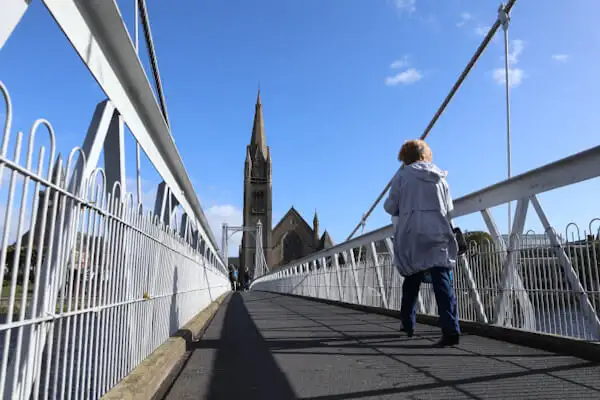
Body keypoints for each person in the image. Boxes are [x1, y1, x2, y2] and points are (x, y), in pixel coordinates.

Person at [383, 139, 460, 347]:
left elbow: (390, 207)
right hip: (438, 231)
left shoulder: (402, 176)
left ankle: (408, 324)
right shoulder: (440, 177)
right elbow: (449, 209)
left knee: (411, 277)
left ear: (404, 158)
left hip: (411, 232)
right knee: (442, 279)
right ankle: (451, 329)